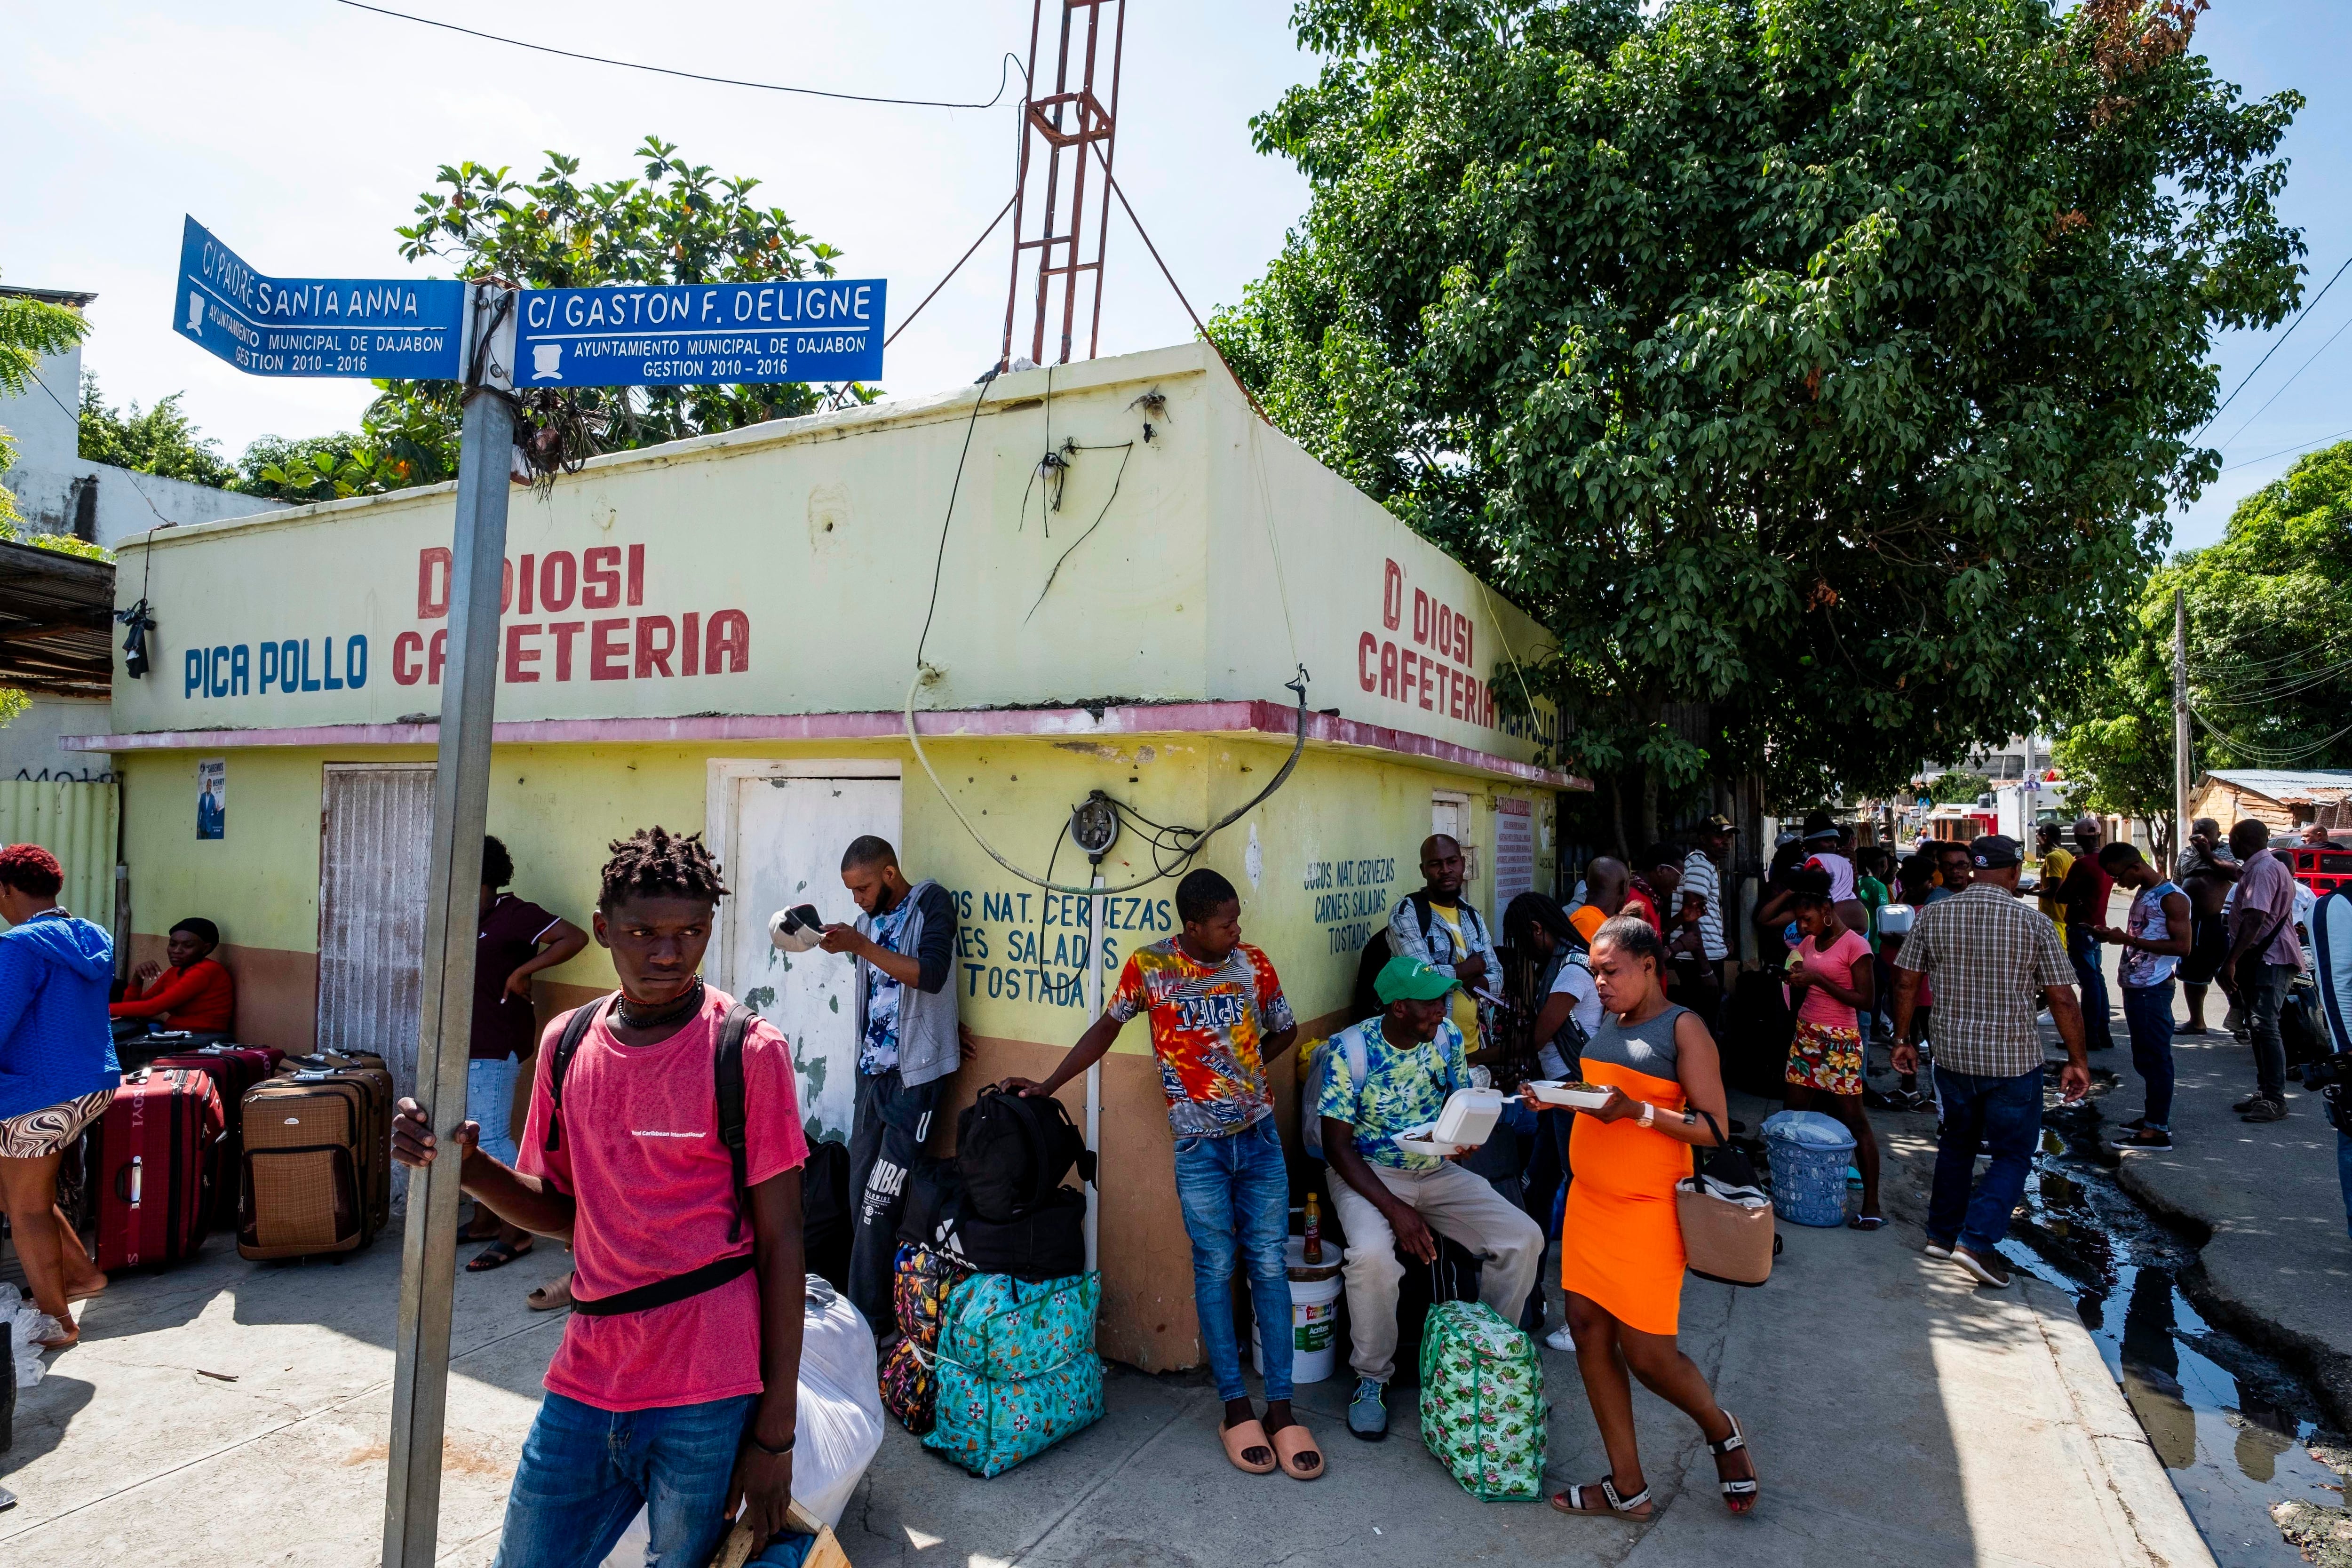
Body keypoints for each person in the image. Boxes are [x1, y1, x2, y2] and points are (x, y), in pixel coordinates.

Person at [389, 827, 814, 1567]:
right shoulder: (567, 1043)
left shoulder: (748, 1050)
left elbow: (783, 1246)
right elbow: (562, 1213)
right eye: (644, 932)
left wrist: (775, 1434)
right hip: (588, 1374)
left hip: (707, 1388)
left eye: (690, 933)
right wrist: (467, 1167)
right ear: (602, 930)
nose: (668, 953)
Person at [1005, 868, 1317, 1479]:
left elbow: (1286, 1029)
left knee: (1270, 1265)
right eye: (1226, 922)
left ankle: (1280, 1409)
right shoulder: (1150, 967)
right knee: (1217, 1265)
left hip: (1258, 1143)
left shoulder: (1253, 962)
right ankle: (1236, 1406)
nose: (1238, 929)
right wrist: (1048, 1084)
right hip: (1198, 1149)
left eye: (1237, 920)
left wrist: (1239, 1073)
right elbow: (1106, 1027)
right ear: (1194, 926)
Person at [1546, 916, 1756, 1520]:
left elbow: (1713, 1128)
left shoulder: (1681, 1027)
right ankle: (1627, 1486)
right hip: (1590, 1203)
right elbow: (1600, 1099)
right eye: (1593, 973)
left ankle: (1721, 1431)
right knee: (1586, 1331)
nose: (1600, 984)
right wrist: (1555, 1095)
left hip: (1647, 1211)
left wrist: (1637, 1112)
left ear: (1647, 965)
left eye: (1609, 972)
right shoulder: (1612, 1022)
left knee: (1648, 1357)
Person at [1319, 955, 1544, 1442]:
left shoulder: (1443, 1040)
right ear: (1398, 1007)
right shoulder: (1350, 1050)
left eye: (1442, 1001)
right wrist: (1395, 1211)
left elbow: (1457, 1105)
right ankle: (1370, 1379)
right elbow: (1336, 1146)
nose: (1440, 1012)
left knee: (1522, 1238)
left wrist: (1465, 1138)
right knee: (1373, 1258)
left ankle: (1484, 1359)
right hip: (1367, 1172)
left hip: (1435, 1168)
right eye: (1429, 1004)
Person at [1892, 835, 2090, 1289]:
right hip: (2012, 1061)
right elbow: (2062, 997)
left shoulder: (1935, 915)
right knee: (2014, 1153)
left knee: (1957, 1145)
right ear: (2014, 872)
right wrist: (2077, 1060)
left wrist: (1903, 1039)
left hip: (1952, 1056)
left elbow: (1905, 982)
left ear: (1974, 870)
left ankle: (1942, 1236)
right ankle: (1976, 1241)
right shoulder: (2033, 922)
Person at [816, 836, 962, 1337]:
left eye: (862, 888)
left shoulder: (930, 903)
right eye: (851, 891)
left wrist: (861, 945)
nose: (857, 899)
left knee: (882, 1202)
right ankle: (868, 1313)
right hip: (870, 1074)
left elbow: (932, 975)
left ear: (889, 874)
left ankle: (867, 1325)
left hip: (914, 1078)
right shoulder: (864, 925)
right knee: (861, 1196)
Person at [0, 844, 119, 1349]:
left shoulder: (19, 946)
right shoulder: (93, 934)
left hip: (37, 1092)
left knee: (26, 1208)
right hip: (90, 1084)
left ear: (5, 889)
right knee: (18, 1196)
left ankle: (58, 1322)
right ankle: (83, 1275)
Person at [461, 836, 588, 1272]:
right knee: (472, 1135)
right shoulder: (463, 916)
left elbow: (574, 937)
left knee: (493, 1136)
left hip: (496, 1042)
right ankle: (483, 1220)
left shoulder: (514, 913)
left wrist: (522, 971)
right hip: (465, 1041)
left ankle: (516, 1233)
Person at [1780, 867, 1883, 1228]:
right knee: (1793, 1118)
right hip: (1807, 1035)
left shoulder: (1856, 945)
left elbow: (1866, 1000)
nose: (1803, 927)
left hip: (1840, 1042)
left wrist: (1818, 979)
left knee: (1855, 1121)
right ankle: (1793, 1186)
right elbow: (1804, 972)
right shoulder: (1809, 943)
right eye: (1799, 920)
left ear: (1827, 908)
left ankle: (1872, 1204)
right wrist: (1793, 976)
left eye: (1807, 918)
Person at [2091, 844, 2191, 1149]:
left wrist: (2128, 939)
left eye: (2118, 876)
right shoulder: (2145, 891)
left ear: (2135, 867)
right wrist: (2111, 936)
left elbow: (2182, 948)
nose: (2117, 883)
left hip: (2153, 989)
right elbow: (2146, 934)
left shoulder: (2171, 897)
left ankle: (2157, 1131)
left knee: (2156, 1058)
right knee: (2144, 1058)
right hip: (2137, 985)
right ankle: (2152, 1118)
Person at [2223, 819, 2304, 1123]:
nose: (2228, 842)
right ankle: (2266, 1092)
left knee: (2265, 1026)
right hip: (2263, 958)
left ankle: (2274, 1099)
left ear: (2241, 840)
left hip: (2270, 958)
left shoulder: (2263, 869)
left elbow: (2255, 918)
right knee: (2258, 1027)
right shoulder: (2264, 866)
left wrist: (2230, 960)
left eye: (2231, 837)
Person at [1388, 834, 1497, 1059]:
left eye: (1452, 862)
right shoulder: (1407, 914)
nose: (1445, 870)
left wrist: (1468, 980)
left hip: (1472, 1049)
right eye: (1436, 864)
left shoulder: (1472, 916)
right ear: (1423, 870)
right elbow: (1423, 980)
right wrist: (1473, 967)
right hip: (1426, 1051)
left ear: (1463, 864)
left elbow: (1498, 977)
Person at [109, 916, 236, 1037]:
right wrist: (137, 979)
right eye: (173, 944)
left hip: (199, 1039)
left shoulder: (206, 971)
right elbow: (131, 1008)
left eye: (188, 946)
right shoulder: (175, 971)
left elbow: (152, 1008)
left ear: (205, 949)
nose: (177, 951)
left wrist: (98, 1009)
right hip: (173, 1033)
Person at [2057, 818, 2118, 1053]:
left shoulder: (2082, 864)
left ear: (2079, 839)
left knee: (2089, 982)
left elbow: (2061, 896)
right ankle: (2103, 1032)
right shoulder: (2106, 863)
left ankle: (2089, 1035)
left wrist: (2074, 895)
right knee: (2097, 979)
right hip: (2098, 926)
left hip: (2081, 927)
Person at [1682, 815, 1739, 993]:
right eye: (1719, 836)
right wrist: (1706, 971)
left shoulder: (1700, 864)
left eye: (1729, 837)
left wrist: (1721, 941)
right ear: (1703, 839)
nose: (1726, 842)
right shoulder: (1701, 866)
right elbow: (1689, 916)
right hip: (1701, 960)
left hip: (1703, 955)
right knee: (1703, 1019)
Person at [1568, 856, 1653, 944]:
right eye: (1629, 885)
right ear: (1623, 887)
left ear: (1587, 884)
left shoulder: (1590, 919)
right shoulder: (1587, 923)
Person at [2034, 824, 2074, 950]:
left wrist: (2030, 893)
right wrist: (2040, 886)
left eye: (2038, 840)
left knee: (2058, 957)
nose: (2039, 844)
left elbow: (2054, 890)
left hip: (2053, 916)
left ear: (2045, 837)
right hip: (2064, 915)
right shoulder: (2067, 855)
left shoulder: (2053, 857)